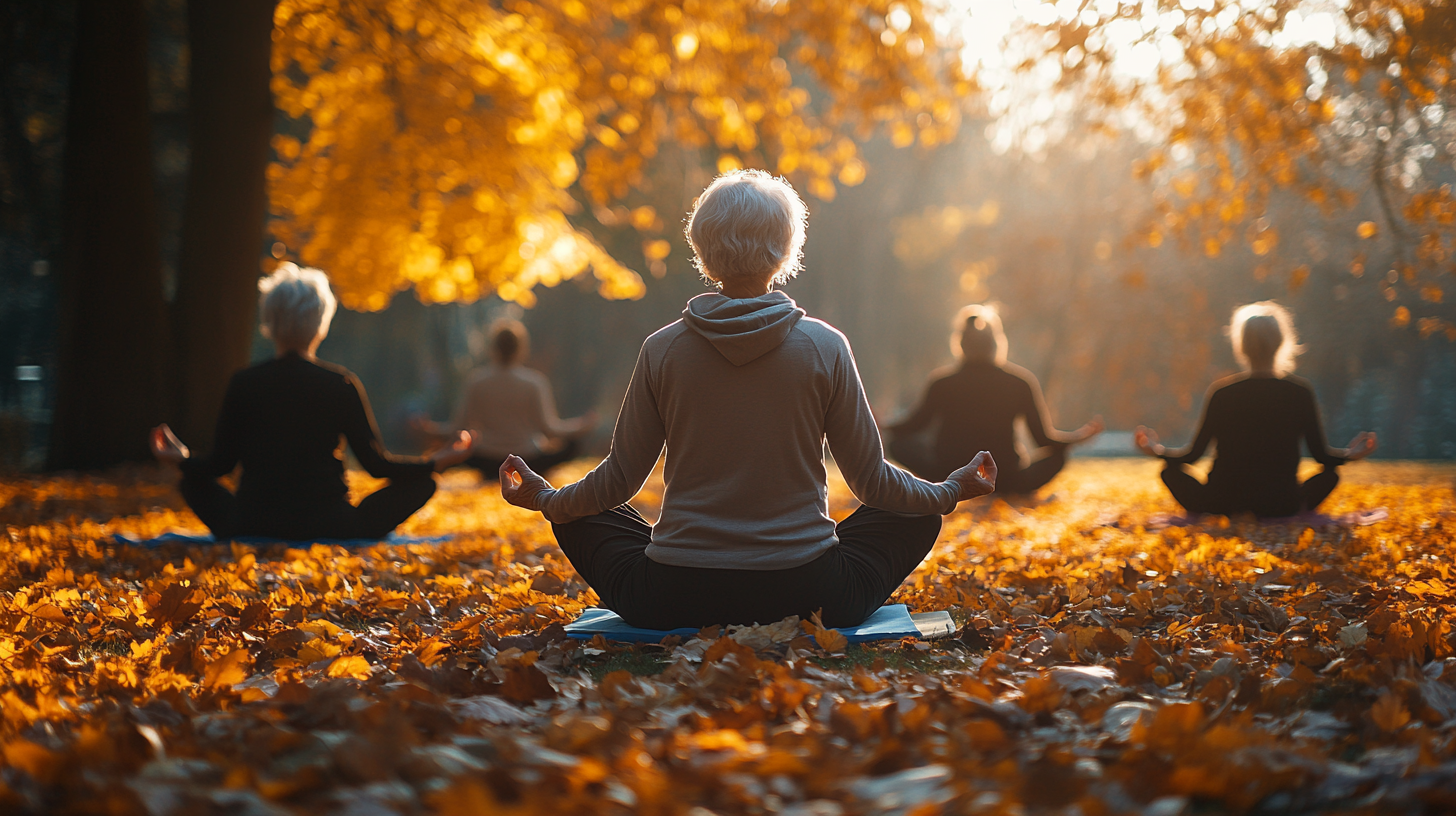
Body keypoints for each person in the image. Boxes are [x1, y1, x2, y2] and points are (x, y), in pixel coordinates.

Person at [496, 169, 999, 630]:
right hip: (811, 596)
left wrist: (545, 500)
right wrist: (949, 491)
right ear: (786, 248)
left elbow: (618, 480)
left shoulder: (662, 348)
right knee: (916, 510)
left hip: (672, 596)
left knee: (577, 511)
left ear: (702, 248)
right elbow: (873, 482)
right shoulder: (825, 346)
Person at [150, 263, 475, 541]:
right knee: (424, 484)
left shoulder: (245, 382)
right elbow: (376, 465)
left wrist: (182, 460)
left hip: (251, 521)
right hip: (332, 524)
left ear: (269, 321)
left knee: (191, 481)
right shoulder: (340, 384)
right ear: (321, 322)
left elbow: (219, 465)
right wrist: (436, 462)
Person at [1135, 301, 1377, 518]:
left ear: (1241, 346)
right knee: (1330, 474)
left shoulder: (1222, 393)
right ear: (1281, 343)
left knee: (1170, 472)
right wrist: (1349, 454)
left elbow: (1192, 455)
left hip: (1221, 502)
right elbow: (1322, 456)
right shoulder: (1300, 392)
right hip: (1280, 504)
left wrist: (1158, 451)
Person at [885, 304, 1103, 494]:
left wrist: (882, 425)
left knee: (897, 445)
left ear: (960, 344)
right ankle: (993, 487)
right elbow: (1043, 439)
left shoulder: (942, 383)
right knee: (1058, 457)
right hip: (1005, 477)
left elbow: (914, 425)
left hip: (948, 473)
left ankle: (952, 487)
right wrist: (1077, 438)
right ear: (996, 343)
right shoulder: (1019, 382)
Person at [412, 319, 598, 480]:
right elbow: (549, 429)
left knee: (457, 450)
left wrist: (428, 429)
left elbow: (457, 428)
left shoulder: (477, 381)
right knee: (573, 445)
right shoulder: (534, 382)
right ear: (522, 348)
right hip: (527, 459)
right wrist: (581, 426)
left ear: (492, 348)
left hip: (486, 458)